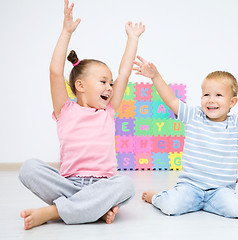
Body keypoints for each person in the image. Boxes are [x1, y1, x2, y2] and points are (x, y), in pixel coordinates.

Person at [19, 0, 145, 230]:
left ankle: (55, 211)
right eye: (103, 82)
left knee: (126, 185)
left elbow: (124, 74)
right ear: (80, 85)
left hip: (104, 184)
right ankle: (94, 208)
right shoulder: (65, 110)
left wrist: (133, 39)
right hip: (68, 184)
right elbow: (55, 72)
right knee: (28, 168)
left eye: (110, 83)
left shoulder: (108, 111)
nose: (110, 87)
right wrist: (66, 31)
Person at [133, 56, 238, 218]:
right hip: (190, 187)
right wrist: (155, 76)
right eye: (206, 94)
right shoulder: (193, 115)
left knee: (236, 210)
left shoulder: (237, 124)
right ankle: (157, 197)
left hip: (220, 191)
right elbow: (171, 100)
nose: (211, 100)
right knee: (170, 206)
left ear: (232, 102)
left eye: (218, 95)